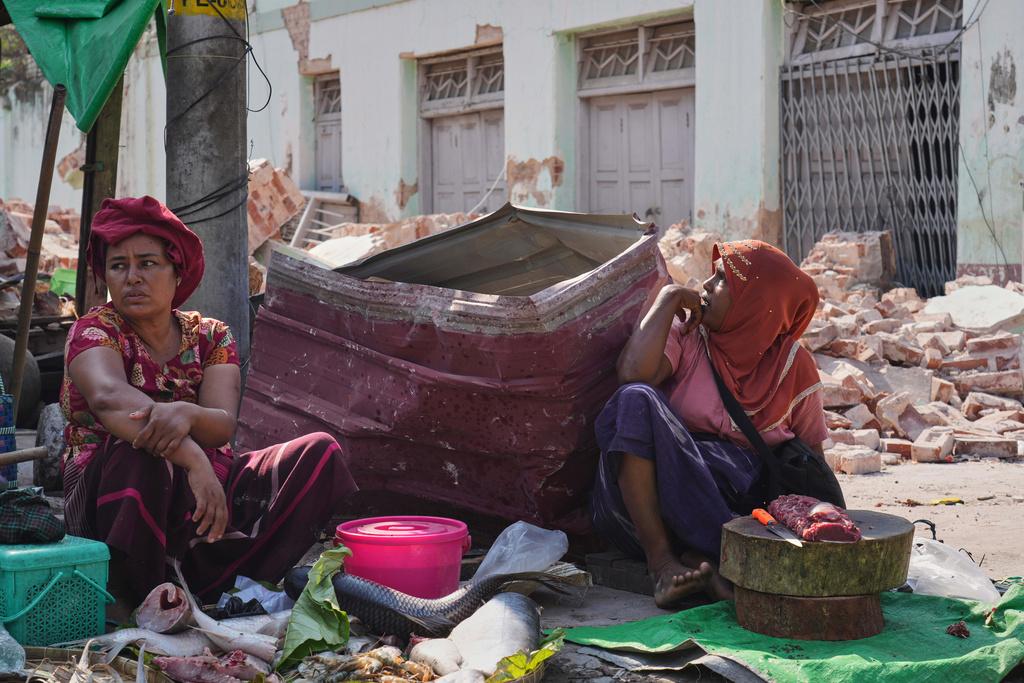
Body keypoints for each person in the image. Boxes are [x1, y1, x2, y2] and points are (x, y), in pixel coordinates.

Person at [61, 195, 358, 606]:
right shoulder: (95, 330)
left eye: (147, 263)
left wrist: (185, 413)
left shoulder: (211, 335)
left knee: (319, 453)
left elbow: (221, 424)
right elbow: (110, 399)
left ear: (176, 271)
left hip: (205, 494)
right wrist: (192, 457)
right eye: (119, 266)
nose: (132, 277)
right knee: (140, 452)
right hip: (114, 497)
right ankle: (140, 598)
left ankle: (222, 583)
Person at [591, 239, 827, 607]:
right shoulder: (688, 333)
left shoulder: (794, 366)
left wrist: (824, 526)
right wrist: (668, 299)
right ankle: (665, 564)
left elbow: (812, 458)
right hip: (639, 515)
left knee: (738, 469)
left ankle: (698, 562)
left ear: (758, 303)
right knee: (635, 399)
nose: (705, 287)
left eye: (721, 281)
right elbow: (631, 374)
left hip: (731, 518)